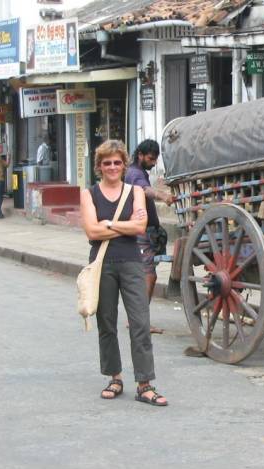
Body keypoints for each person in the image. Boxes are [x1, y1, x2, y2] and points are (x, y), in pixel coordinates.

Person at [79, 139, 168, 406]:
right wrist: (124, 225)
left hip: (131, 263)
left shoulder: (134, 191)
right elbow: (91, 231)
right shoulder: (89, 194)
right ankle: (114, 377)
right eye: (107, 163)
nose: (113, 167)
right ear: (99, 166)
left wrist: (108, 223)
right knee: (107, 322)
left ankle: (145, 383)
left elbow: (140, 227)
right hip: (103, 263)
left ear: (124, 164)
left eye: (117, 162)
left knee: (140, 322)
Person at [124, 139, 173, 334]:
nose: (153, 163)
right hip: (141, 232)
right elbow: (144, 190)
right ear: (141, 156)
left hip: (146, 231)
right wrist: (163, 196)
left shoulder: (137, 172)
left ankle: (135, 318)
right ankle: (140, 321)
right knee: (148, 275)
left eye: (155, 160)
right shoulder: (135, 174)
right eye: (151, 159)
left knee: (143, 275)